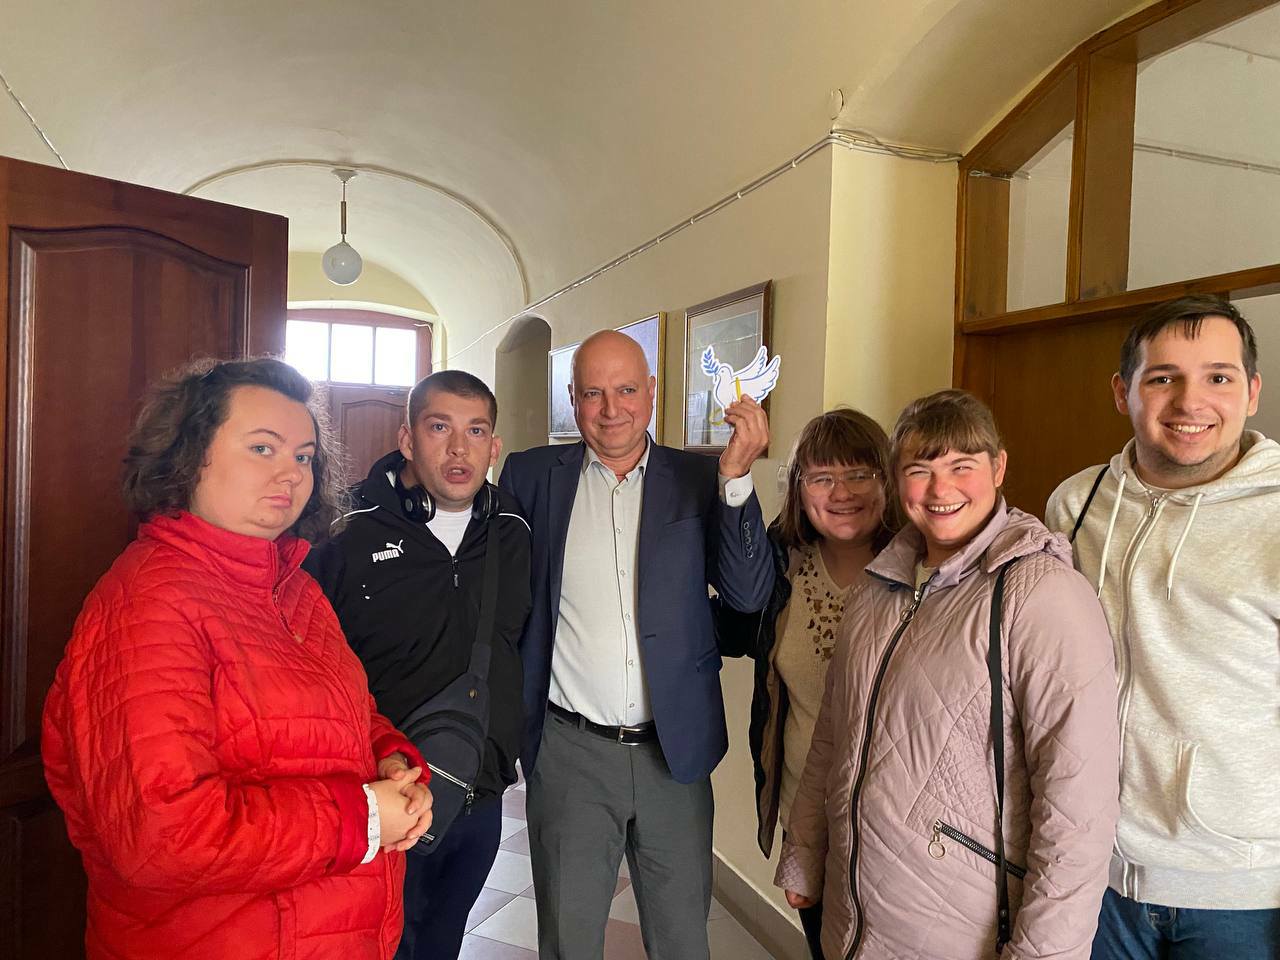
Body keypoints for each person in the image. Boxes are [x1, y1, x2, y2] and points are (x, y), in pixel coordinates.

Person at [41, 358, 432, 960]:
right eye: (262, 448)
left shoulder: (294, 588)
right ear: (189, 453)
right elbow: (163, 837)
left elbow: (347, 713)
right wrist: (363, 817)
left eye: (304, 456)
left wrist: (392, 760)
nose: (291, 473)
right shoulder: (148, 602)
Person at [780, 388, 1119, 960]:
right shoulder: (878, 586)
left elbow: (1078, 804)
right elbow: (832, 736)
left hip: (963, 926)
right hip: (854, 914)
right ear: (897, 480)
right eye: (920, 470)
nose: (941, 490)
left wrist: (1044, 953)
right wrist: (805, 854)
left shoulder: (1041, 593)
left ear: (998, 467)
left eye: (962, 466)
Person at [499, 329, 774, 960]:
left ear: (651, 390)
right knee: (568, 941)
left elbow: (748, 594)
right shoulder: (531, 476)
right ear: (573, 399)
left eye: (625, 390)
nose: (610, 409)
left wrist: (737, 479)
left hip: (672, 752)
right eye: (592, 393)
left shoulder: (700, 477)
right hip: (568, 753)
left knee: (682, 942)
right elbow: (498, 596)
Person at [1046, 295, 1280, 958]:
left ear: (1252, 391)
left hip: (1242, 891)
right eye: (1163, 377)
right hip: (1093, 872)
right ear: (1122, 392)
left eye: (1218, 376)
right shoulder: (1076, 503)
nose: (1190, 401)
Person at [305, 370, 532, 960]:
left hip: (477, 794)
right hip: (381, 794)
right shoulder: (344, 527)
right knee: (378, 945)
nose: (459, 449)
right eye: (439, 428)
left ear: (493, 446)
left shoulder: (515, 529)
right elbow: (305, 661)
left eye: (475, 431)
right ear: (407, 439)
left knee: (441, 940)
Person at [715, 407, 897, 959]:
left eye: (860, 474)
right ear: (798, 488)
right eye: (821, 478)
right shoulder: (782, 563)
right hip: (807, 814)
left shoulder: (920, 566)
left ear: (887, 479)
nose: (841, 493)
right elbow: (733, 623)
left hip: (895, 821)